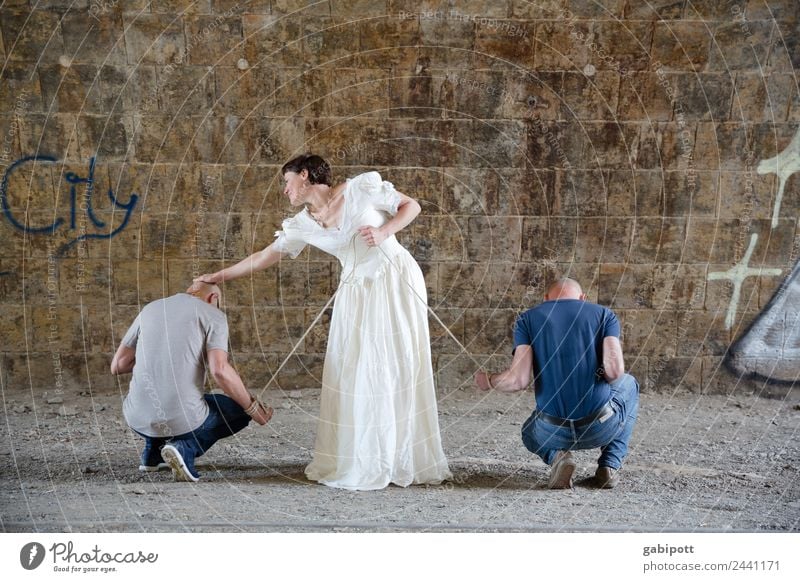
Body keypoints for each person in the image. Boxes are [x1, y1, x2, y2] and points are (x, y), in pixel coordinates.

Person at [195, 153, 452, 490]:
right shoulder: (303, 224)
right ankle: (362, 457)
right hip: (355, 294)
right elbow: (261, 258)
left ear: (304, 176)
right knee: (355, 370)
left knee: (390, 363)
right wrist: (215, 276)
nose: (285, 191)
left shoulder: (361, 188)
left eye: (287, 183)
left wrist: (385, 230)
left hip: (393, 278)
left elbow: (412, 205)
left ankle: (399, 456)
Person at [475, 278, 639, 489]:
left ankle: (558, 457)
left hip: (549, 431)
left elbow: (517, 381)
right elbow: (614, 372)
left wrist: (488, 380)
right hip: (600, 425)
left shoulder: (528, 319)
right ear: (582, 298)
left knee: (528, 432)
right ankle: (609, 465)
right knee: (629, 384)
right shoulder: (604, 315)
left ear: (546, 299)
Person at [110, 281, 273, 482]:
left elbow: (118, 365)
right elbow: (220, 371)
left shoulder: (150, 309)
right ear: (213, 298)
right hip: (181, 419)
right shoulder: (213, 315)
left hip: (136, 418)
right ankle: (186, 447)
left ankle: (153, 452)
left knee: (175, 397)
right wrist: (253, 408)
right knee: (238, 410)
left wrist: (156, 360)